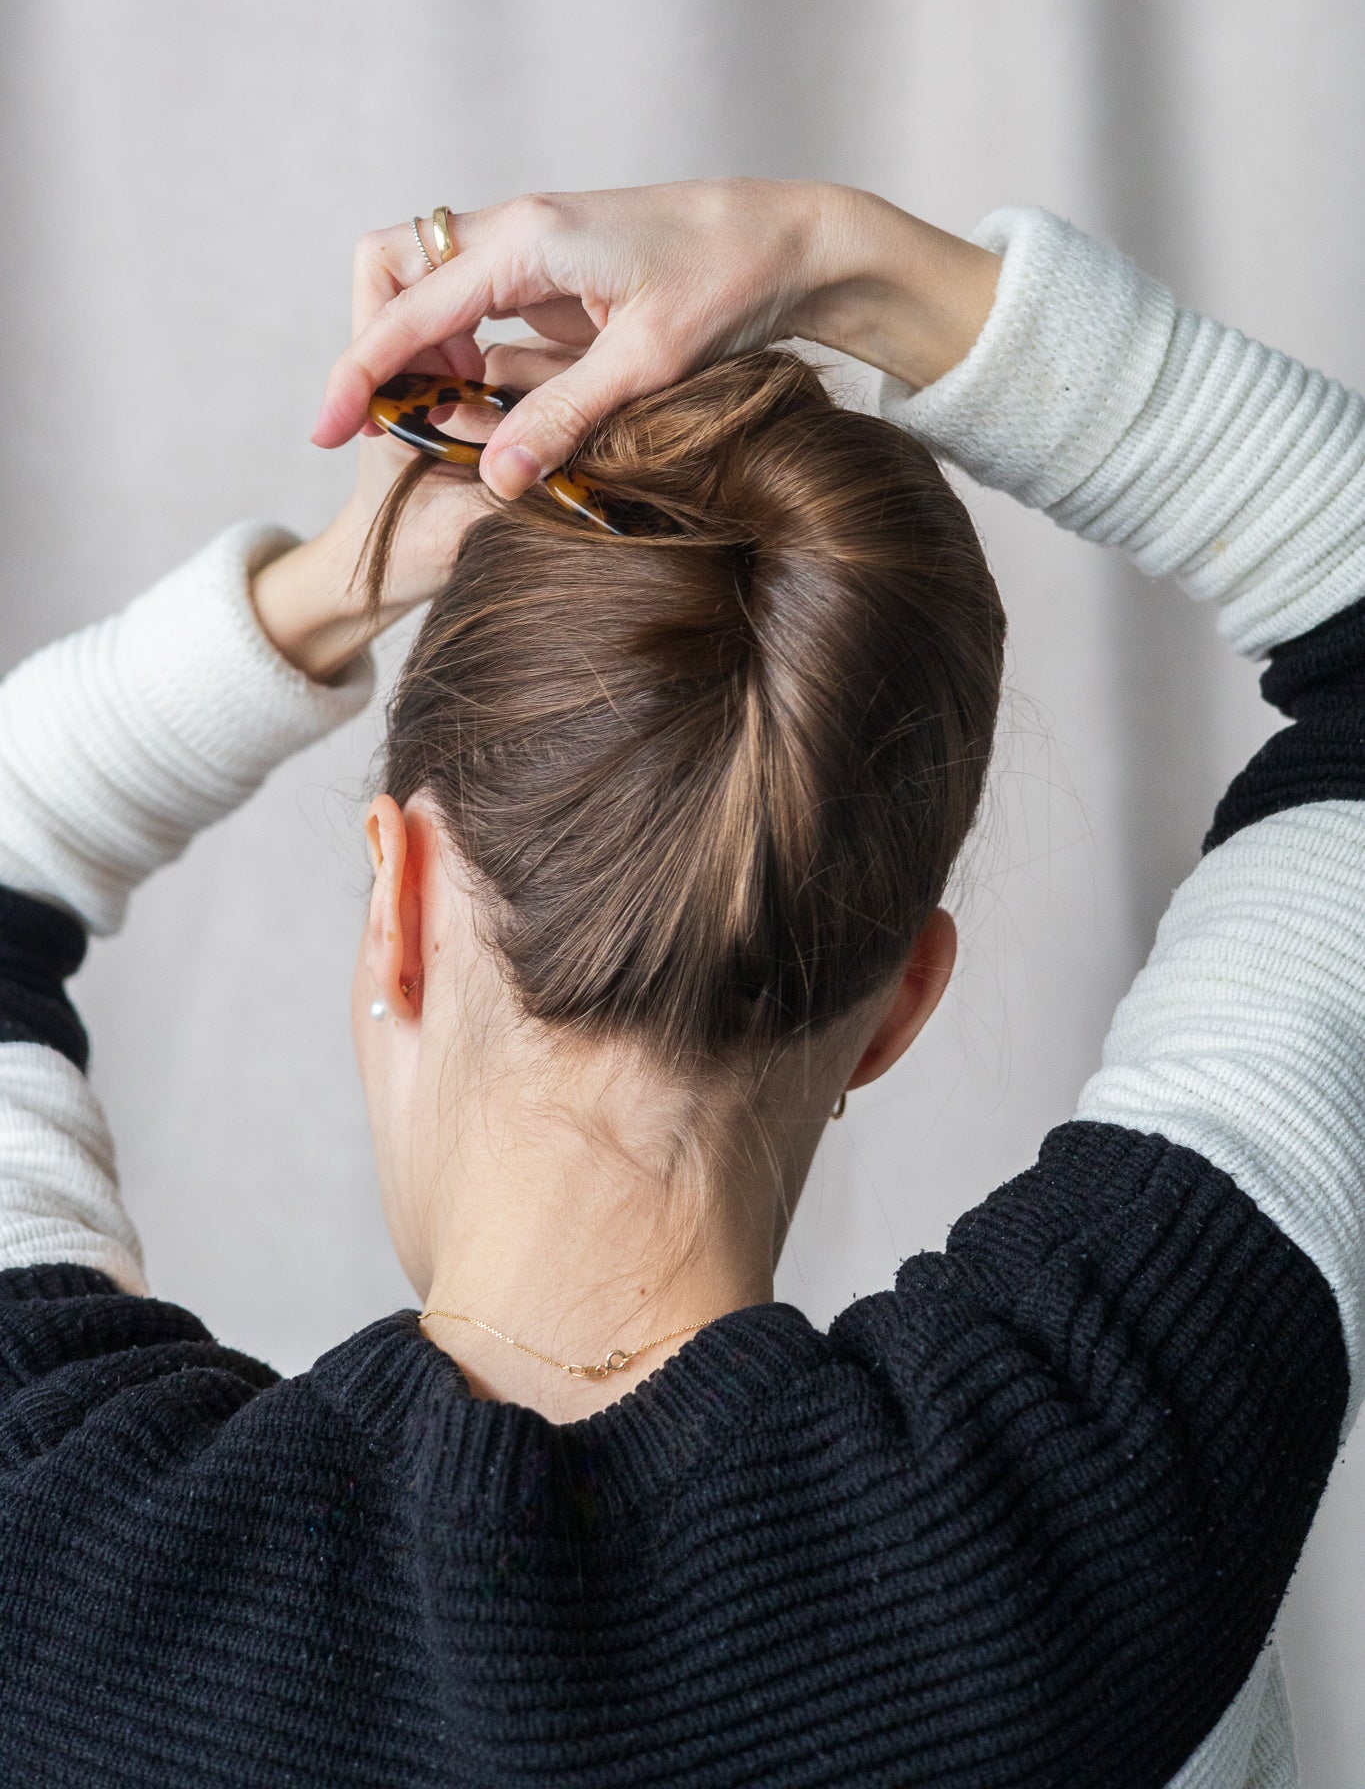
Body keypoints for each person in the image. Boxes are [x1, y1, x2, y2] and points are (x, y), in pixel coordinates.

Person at [0, 180, 1359, 1789]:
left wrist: (338, 577)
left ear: (401, 902)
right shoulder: (1099, 1496)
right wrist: (835, 260)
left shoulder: (63, 1566)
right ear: (901, 1000)